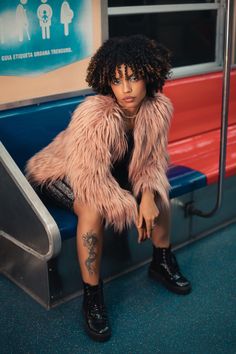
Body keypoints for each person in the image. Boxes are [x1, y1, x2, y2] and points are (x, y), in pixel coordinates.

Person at [25, 35, 191, 342]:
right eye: (117, 81)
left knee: (157, 195)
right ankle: (92, 295)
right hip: (62, 172)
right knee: (92, 208)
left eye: (133, 78)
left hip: (109, 173)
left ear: (149, 75)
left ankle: (161, 261)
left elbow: (152, 162)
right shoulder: (94, 115)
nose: (126, 89)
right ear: (106, 82)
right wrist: (131, 207)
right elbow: (90, 181)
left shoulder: (157, 109)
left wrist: (148, 197)